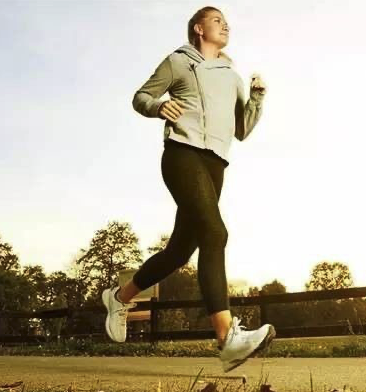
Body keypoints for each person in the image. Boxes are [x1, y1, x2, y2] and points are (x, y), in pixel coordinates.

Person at [101, 5, 275, 373]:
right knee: (215, 233)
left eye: (226, 22)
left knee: (180, 251)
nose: (225, 25)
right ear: (198, 28)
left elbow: (241, 130)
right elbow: (141, 97)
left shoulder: (233, 76)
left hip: (216, 164)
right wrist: (158, 106)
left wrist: (258, 98)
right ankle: (227, 339)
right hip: (182, 155)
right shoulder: (178, 62)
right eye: (216, 20)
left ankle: (120, 297)